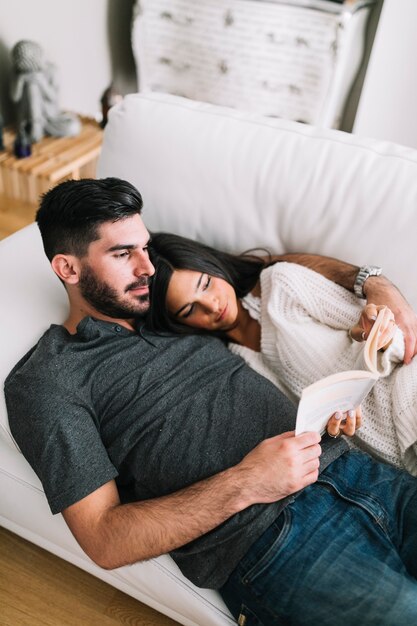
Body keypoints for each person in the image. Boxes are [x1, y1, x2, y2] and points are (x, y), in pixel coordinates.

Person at [4, 177, 417, 626]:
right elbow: (103, 538)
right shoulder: (47, 380)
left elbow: (262, 269)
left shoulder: (171, 316)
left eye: (144, 248)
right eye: (123, 254)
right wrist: (248, 481)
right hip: (272, 539)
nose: (147, 267)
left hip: (363, 473)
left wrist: (375, 284)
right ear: (68, 269)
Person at [147, 232, 417, 474]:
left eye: (205, 284)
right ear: (179, 323)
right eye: (189, 310)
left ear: (212, 266)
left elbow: (395, 336)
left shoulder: (280, 285)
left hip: (408, 395)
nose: (211, 305)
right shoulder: (228, 365)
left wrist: (376, 335)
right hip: (387, 469)